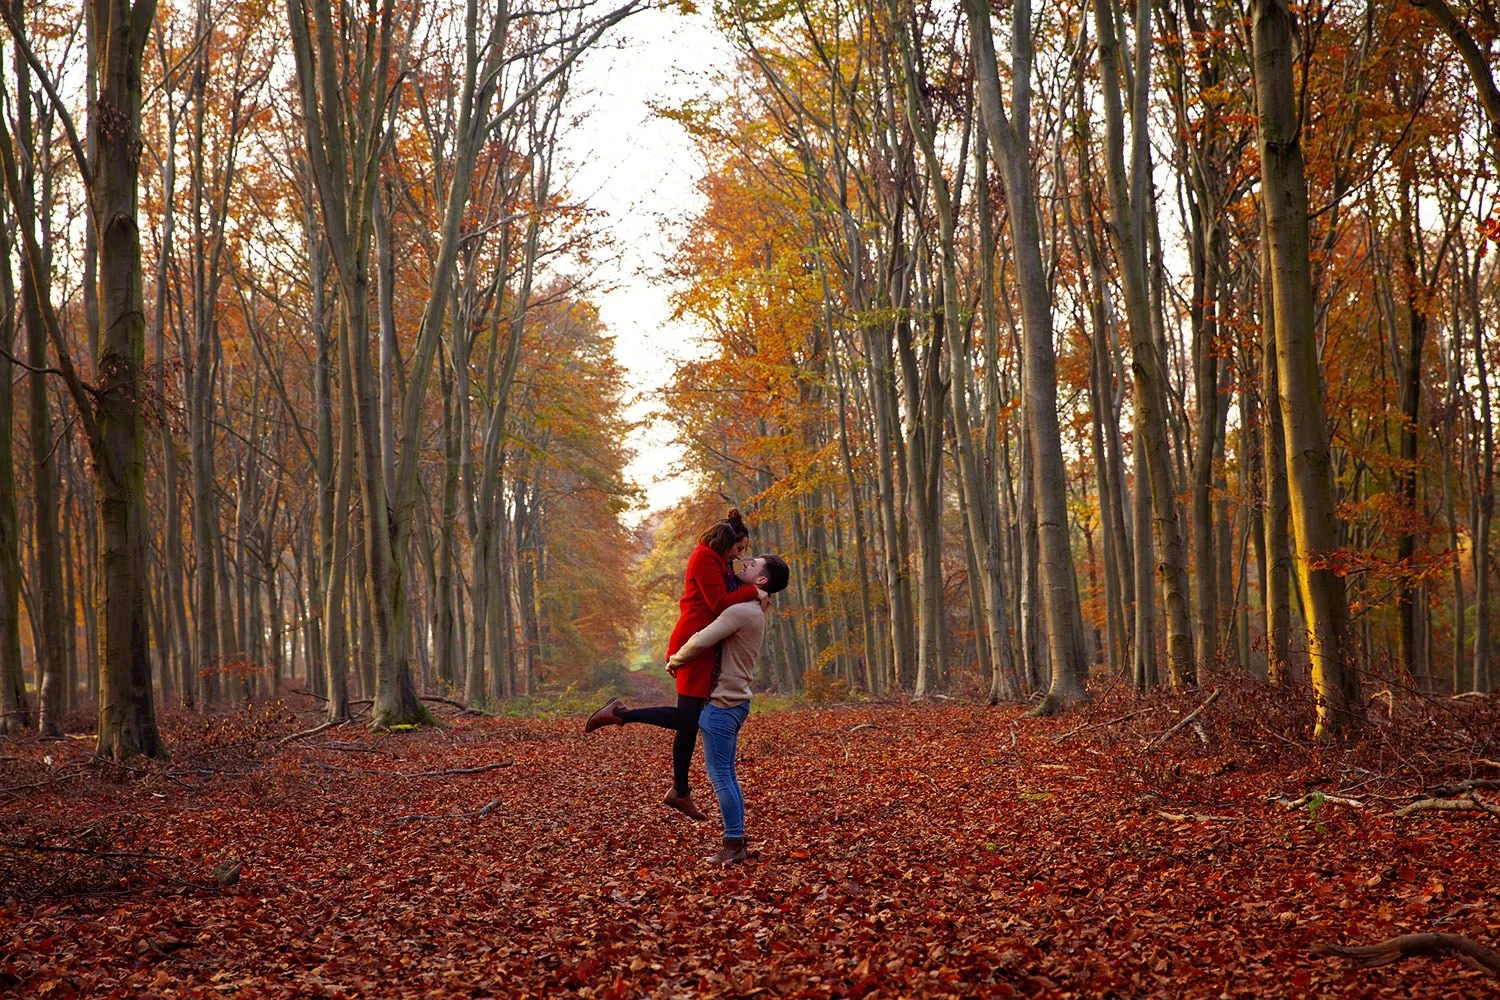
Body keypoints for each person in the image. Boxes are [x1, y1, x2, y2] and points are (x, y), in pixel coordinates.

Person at [584, 509, 768, 821]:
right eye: (738, 549)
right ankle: (620, 715)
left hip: (706, 644)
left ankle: (680, 791)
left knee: (689, 720)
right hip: (695, 641)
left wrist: (754, 592)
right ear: (726, 542)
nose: (739, 557)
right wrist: (754, 590)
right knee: (687, 719)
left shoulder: (719, 561)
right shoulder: (704, 558)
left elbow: (727, 598)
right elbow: (719, 604)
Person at [667, 553, 790, 863]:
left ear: (762, 580)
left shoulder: (740, 611)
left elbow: (700, 640)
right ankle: (736, 840)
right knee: (727, 775)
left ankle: (733, 844)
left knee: (721, 775)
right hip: (735, 702)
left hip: (723, 704)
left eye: (753, 564)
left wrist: (675, 661)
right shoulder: (753, 607)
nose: (745, 564)